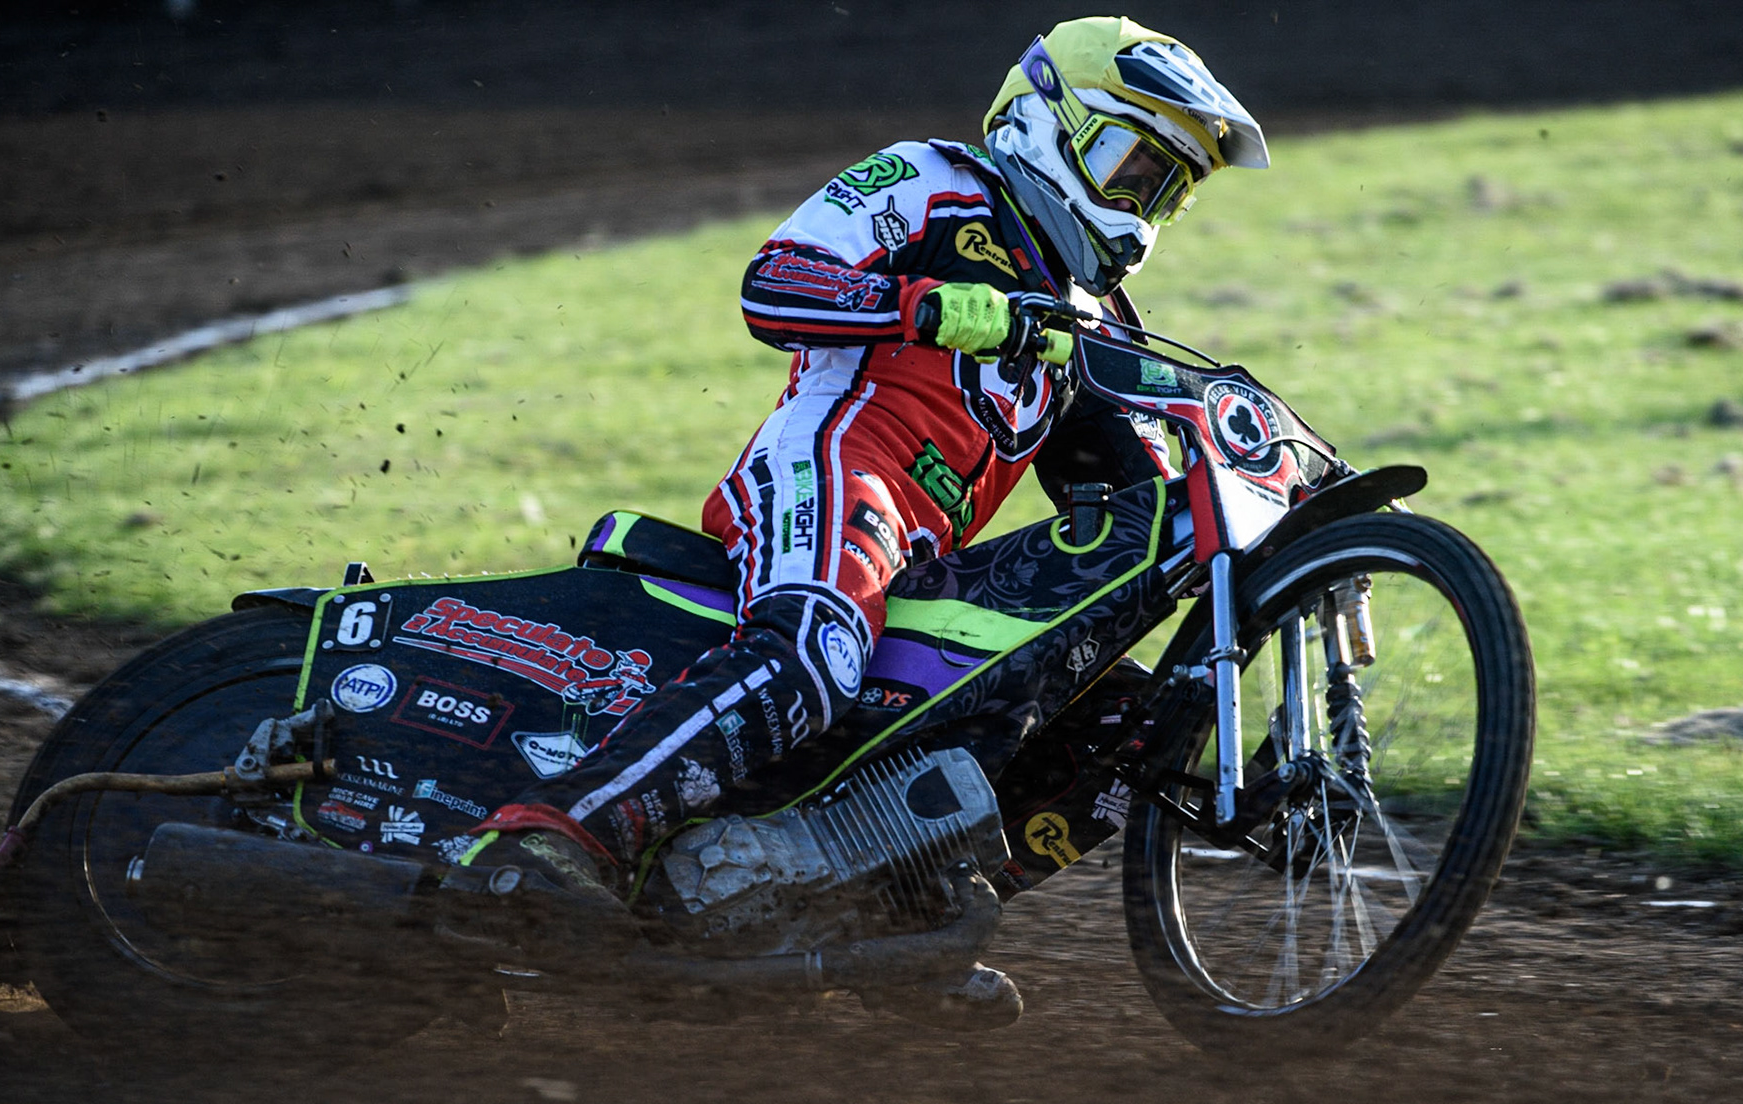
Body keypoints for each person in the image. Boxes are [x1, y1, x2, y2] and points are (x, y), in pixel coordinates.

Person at [456, 16, 1268, 1021]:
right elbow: (773, 286)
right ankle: (551, 836)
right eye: (1131, 166)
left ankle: (884, 927)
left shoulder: (1084, 325)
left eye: (1166, 191)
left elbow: (1130, 506)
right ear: (1047, 119)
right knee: (819, 648)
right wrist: (931, 305)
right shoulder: (935, 179)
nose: (1141, 209)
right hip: (833, 470)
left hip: (922, 561)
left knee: (1124, 717)